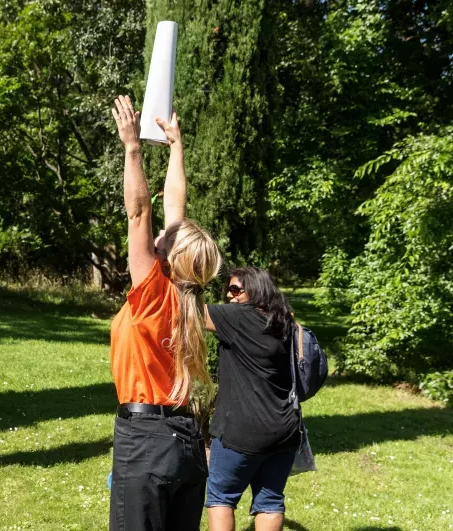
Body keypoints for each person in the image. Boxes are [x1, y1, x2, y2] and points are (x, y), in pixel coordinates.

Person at [108, 95, 222, 531]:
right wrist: (176, 146)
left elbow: (139, 213)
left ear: (170, 258)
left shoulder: (154, 292)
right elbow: (174, 207)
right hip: (187, 443)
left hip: (147, 441)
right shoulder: (189, 296)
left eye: (164, 241)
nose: (157, 237)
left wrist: (133, 147)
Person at [203, 268, 301, 531]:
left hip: (240, 430)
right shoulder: (285, 321)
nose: (229, 295)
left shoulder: (239, 318)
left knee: (221, 497)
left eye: (236, 290)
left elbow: (187, 312)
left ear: (255, 290)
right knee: (270, 501)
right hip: (285, 429)